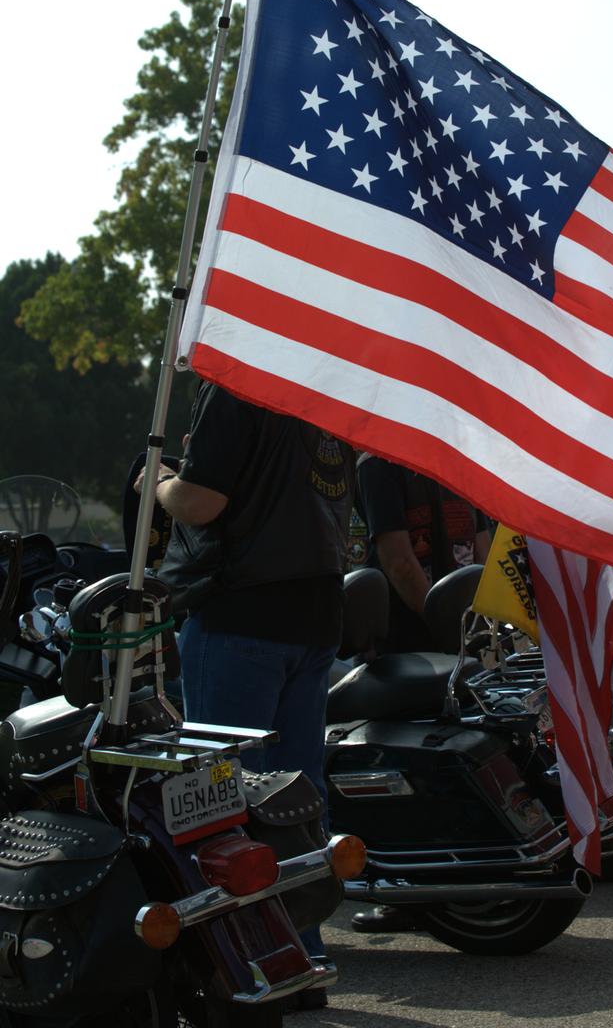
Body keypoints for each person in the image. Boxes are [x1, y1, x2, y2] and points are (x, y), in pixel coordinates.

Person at [135, 380, 353, 1008]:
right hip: (315, 611)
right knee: (294, 795)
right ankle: (302, 955)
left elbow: (201, 503)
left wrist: (156, 479)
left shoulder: (238, 386)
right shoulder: (319, 389)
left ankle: (253, 965)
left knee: (224, 803)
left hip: (242, 616)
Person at [351, 455, 491, 935]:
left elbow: (480, 542)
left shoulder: (455, 453)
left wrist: (466, 623)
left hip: (439, 636)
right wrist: (464, 624)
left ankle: (404, 888)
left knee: (405, 764)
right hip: (411, 631)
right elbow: (397, 559)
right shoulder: (380, 465)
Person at [355, 454, 491, 654]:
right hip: (408, 645)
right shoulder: (378, 463)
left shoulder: (463, 462)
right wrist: (457, 630)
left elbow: (483, 551)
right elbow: (400, 564)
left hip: (463, 634)